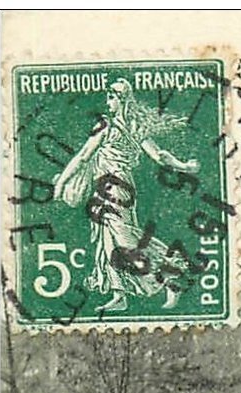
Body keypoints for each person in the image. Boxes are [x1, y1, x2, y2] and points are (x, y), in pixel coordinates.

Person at [53, 79, 199, 312]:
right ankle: (119, 294)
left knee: (124, 239)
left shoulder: (107, 125)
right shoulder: (134, 127)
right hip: (109, 187)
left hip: (115, 188)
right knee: (107, 240)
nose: (107, 102)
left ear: (121, 100)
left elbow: (83, 156)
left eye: (111, 97)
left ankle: (170, 276)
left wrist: (62, 182)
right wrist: (184, 166)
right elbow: (160, 156)